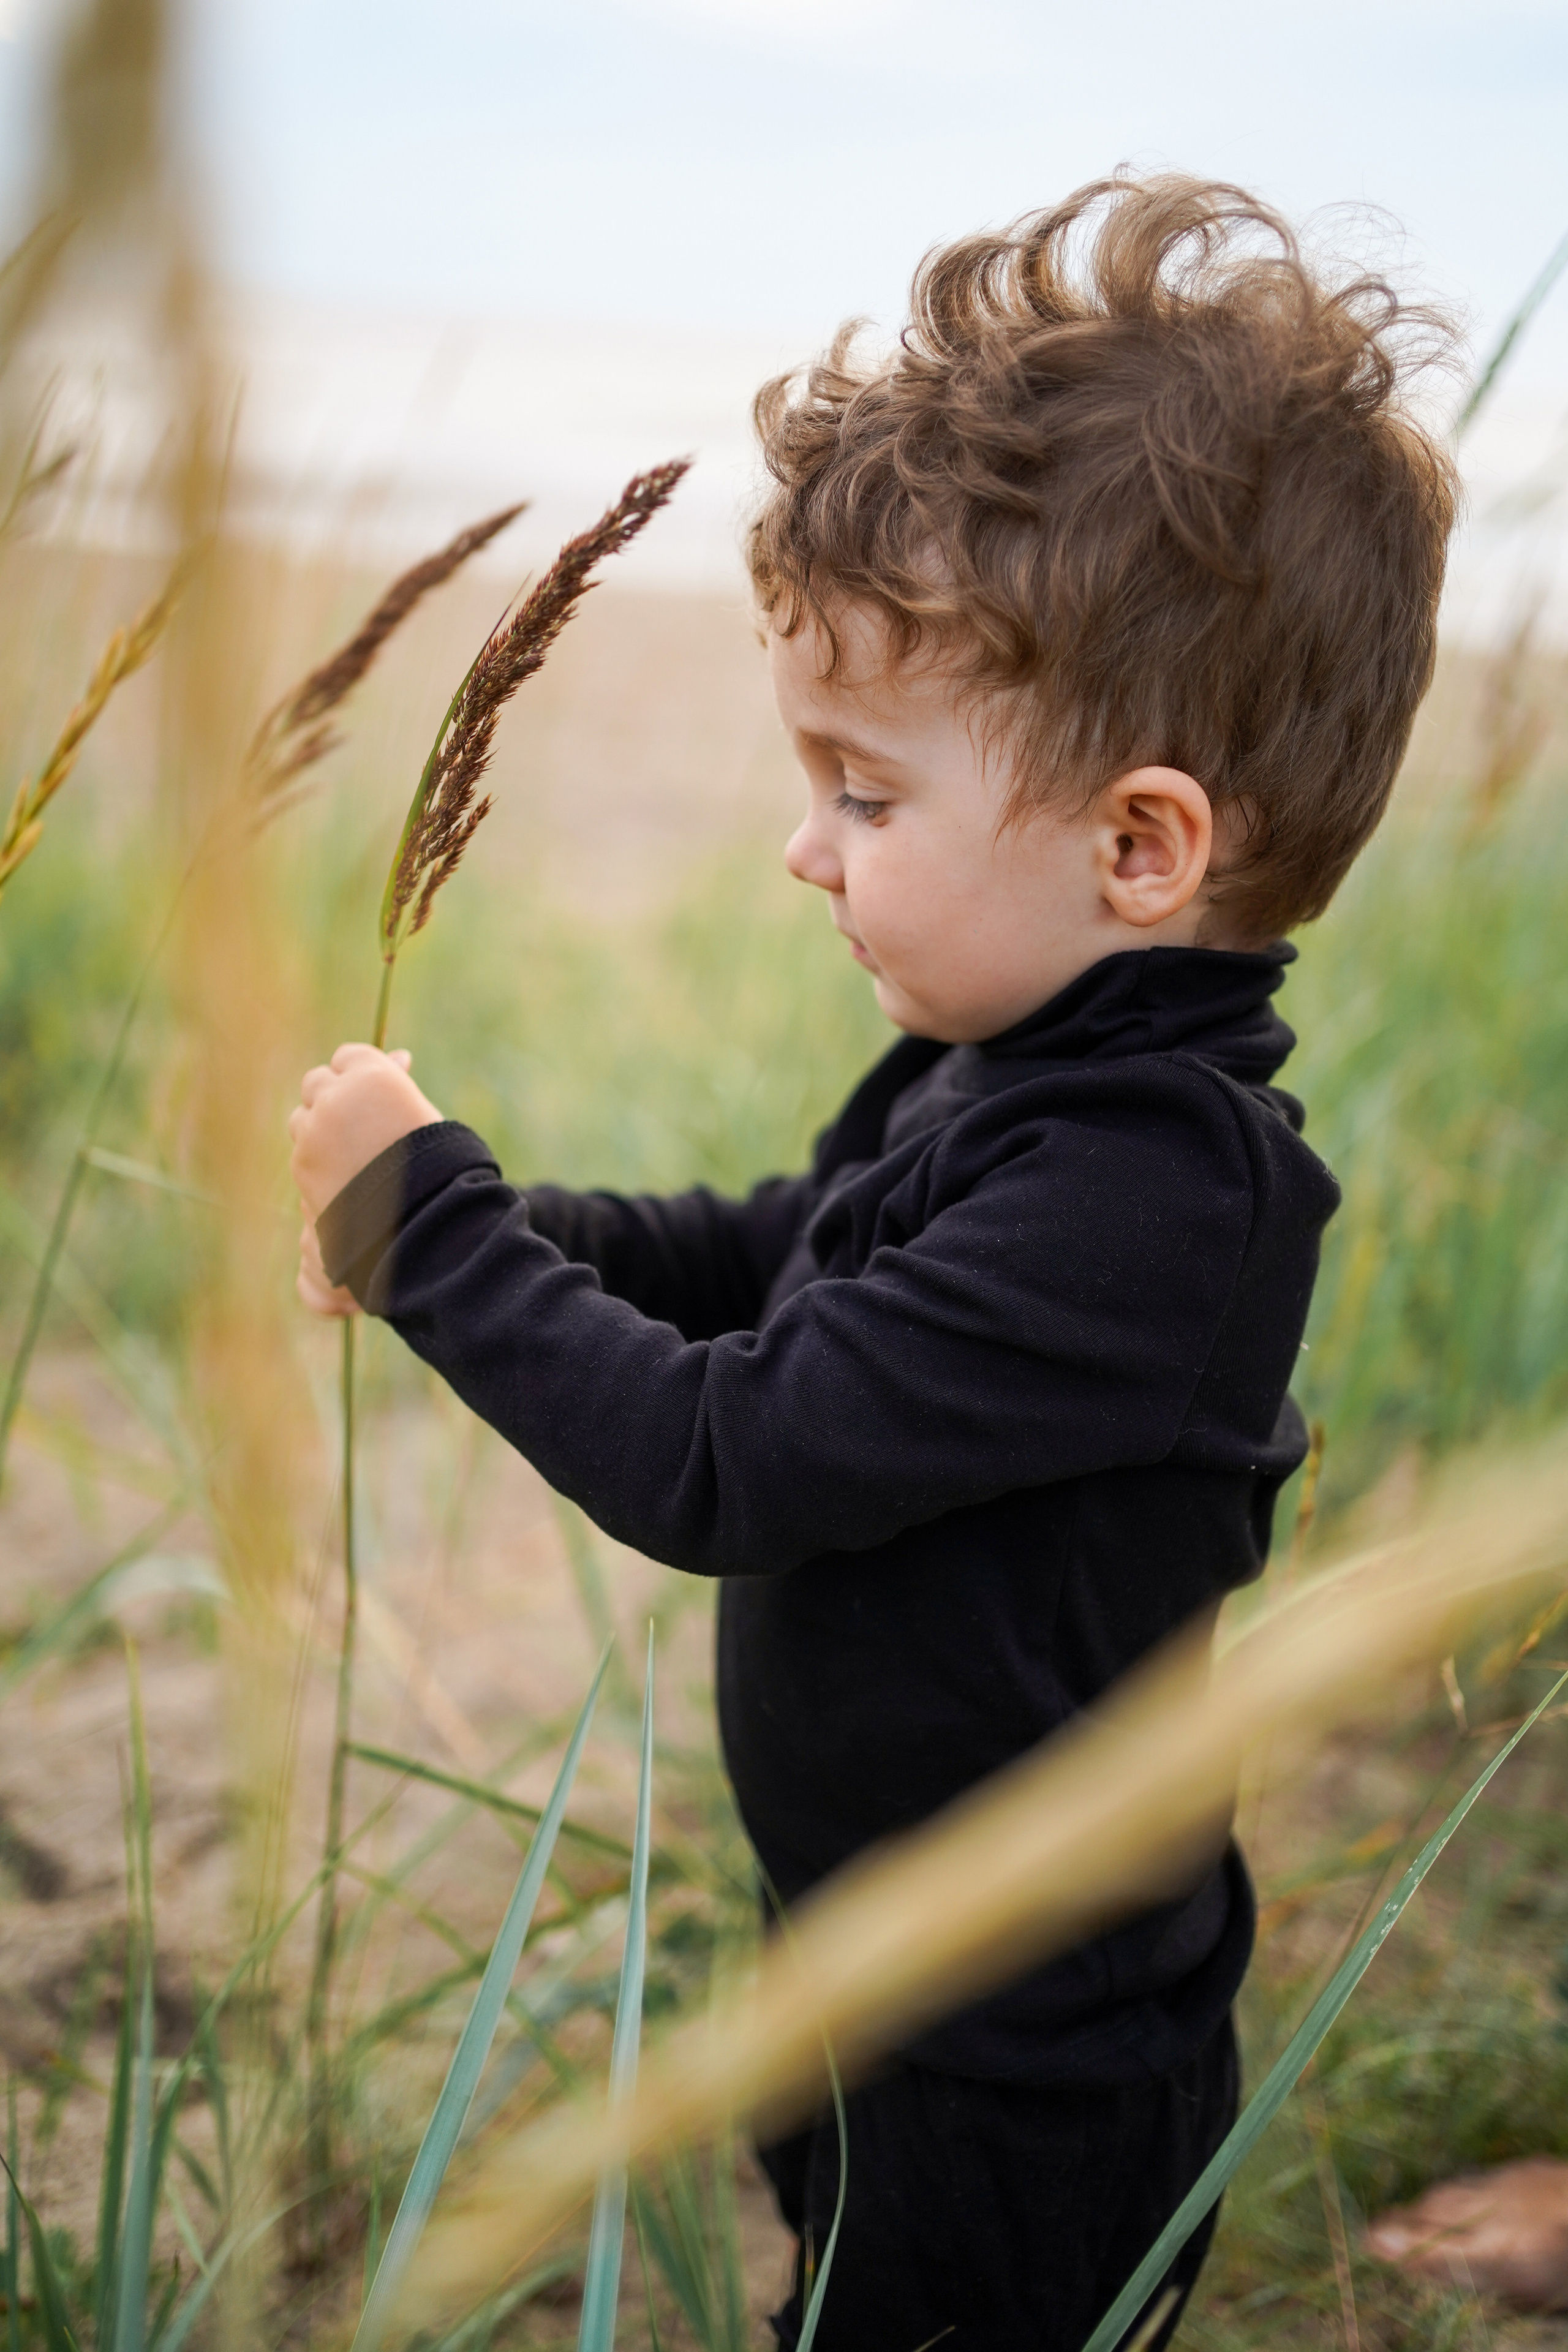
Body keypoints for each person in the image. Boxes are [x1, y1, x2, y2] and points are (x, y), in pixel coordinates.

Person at [288, 176, 1458, 2351]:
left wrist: (429, 1231)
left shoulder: (1161, 1204)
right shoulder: (1014, 1076)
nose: (802, 846)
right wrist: (508, 1224)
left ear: (1141, 844)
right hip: (868, 1962)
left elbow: (726, 1461)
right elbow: (778, 1258)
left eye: (865, 791)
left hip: (1024, 2065)